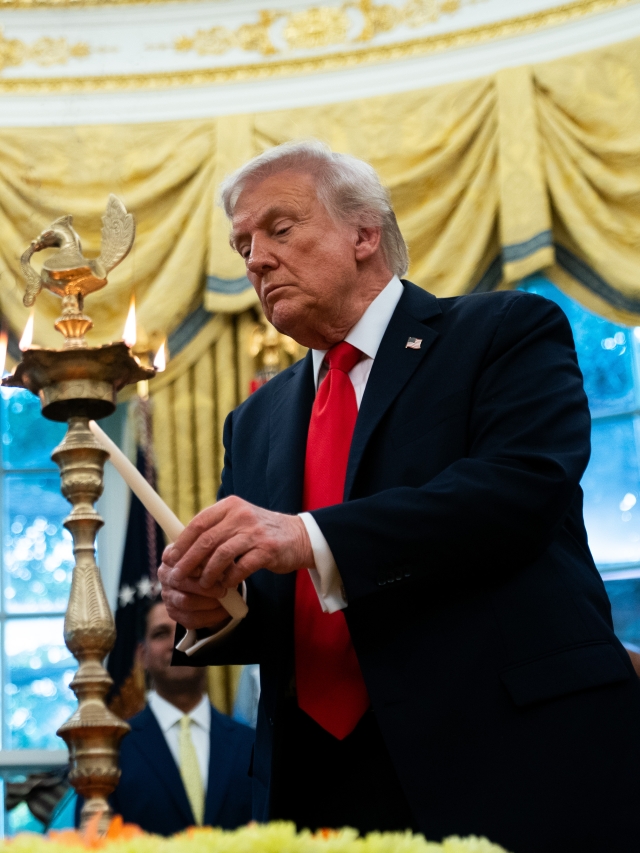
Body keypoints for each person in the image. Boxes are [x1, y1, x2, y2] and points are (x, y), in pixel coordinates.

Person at [159, 140, 640, 853]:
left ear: (364, 232)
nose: (255, 259)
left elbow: (519, 491)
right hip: (316, 783)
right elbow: (281, 607)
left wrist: (308, 536)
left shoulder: (503, 331)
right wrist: (211, 609)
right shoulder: (254, 419)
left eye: (279, 229)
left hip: (506, 758)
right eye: (242, 244)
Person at [98, 599, 253, 835]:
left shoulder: (251, 744)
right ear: (142, 655)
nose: (176, 643)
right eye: (161, 634)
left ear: (208, 646)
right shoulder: (112, 750)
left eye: (187, 630)